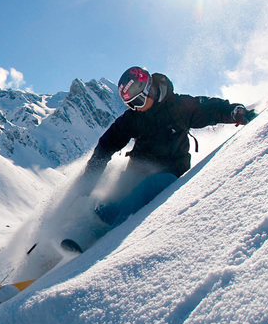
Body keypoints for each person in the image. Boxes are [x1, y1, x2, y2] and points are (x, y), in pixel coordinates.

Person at [78, 66, 255, 232]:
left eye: (138, 101)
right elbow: (105, 146)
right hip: (138, 172)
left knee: (149, 188)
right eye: (131, 104)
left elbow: (210, 109)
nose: (136, 108)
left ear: (149, 89)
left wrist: (236, 113)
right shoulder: (133, 118)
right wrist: (88, 182)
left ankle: (112, 236)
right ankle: (91, 231)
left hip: (172, 175)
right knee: (112, 201)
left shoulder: (178, 107)